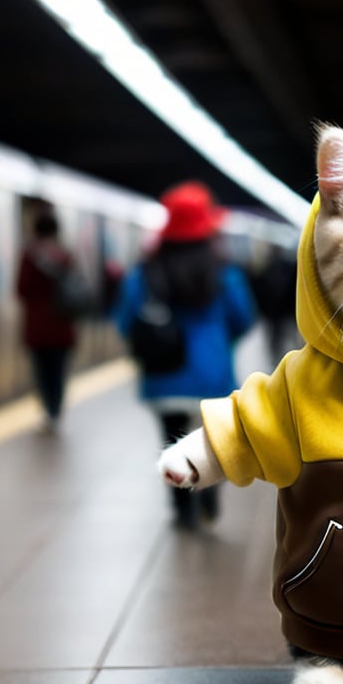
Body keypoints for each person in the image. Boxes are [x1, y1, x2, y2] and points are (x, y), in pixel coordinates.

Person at [115, 181, 257, 529]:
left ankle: (182, 509)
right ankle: (208, 494)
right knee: (213, 441)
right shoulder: (224, 272)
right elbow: (244, 317)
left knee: (170, 440)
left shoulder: (145, 272)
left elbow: (125, 320)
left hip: (164, 377)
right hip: (213, 376)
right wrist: (222, 344)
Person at [16, 201, 78, 433]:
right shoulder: (65, 256)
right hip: (62, 327)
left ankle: (48, 410)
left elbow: (20, 289)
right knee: (58, 370)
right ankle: (56, 407)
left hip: (37, 328)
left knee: (41, 370)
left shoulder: (29, 256)